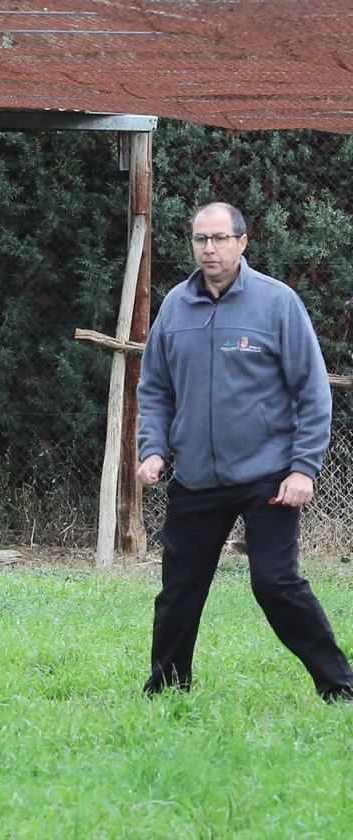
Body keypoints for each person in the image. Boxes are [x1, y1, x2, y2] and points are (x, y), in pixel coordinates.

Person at [135, 201, 353, 701]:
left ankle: (339, 685)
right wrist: (154, 449)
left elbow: (312, 391)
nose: (208, 248)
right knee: (178, 592)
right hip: (195, 479)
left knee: (275, 584)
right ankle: (168, 688)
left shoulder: (277, 304)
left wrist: (303, 468)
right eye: (199, 239)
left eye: (219, 238)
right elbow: (155, 388)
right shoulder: (174, 307)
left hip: (268, 479)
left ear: (242, 242)